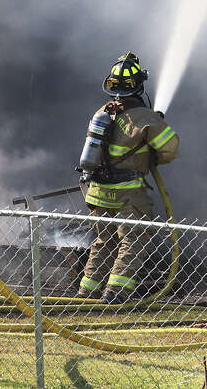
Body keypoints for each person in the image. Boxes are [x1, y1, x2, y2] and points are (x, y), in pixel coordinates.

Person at [77, 52, 178, 302]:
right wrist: (151, 155)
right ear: (139, 84)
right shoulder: (145, 118)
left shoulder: (103, 111)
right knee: (135, 239)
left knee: (105, 240)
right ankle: (116, 292)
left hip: (98, 191)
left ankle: (86, 292)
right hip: (128, 193)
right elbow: (170, 148)